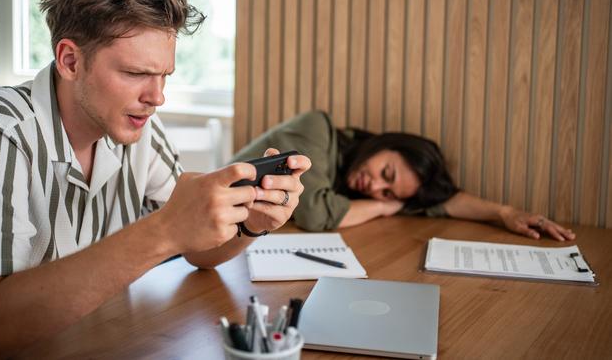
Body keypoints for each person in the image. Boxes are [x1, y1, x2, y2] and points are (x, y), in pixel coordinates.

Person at [0, 0, 310, 357]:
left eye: (164, 75)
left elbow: (197, 250)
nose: (157, 97)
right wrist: (164, 229)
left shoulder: (136, 127)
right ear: (70, 60)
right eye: (135, 74)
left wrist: (250, 223)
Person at [232, 110, 575, 241]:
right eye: (387, 172)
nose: (376, 186)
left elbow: (443, 202)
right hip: (220, 230)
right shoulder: (315, 129)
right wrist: (384, 207)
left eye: (388, 193)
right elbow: (316, 212)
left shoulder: (374, 192)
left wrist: (505, 213)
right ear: (385, 144)